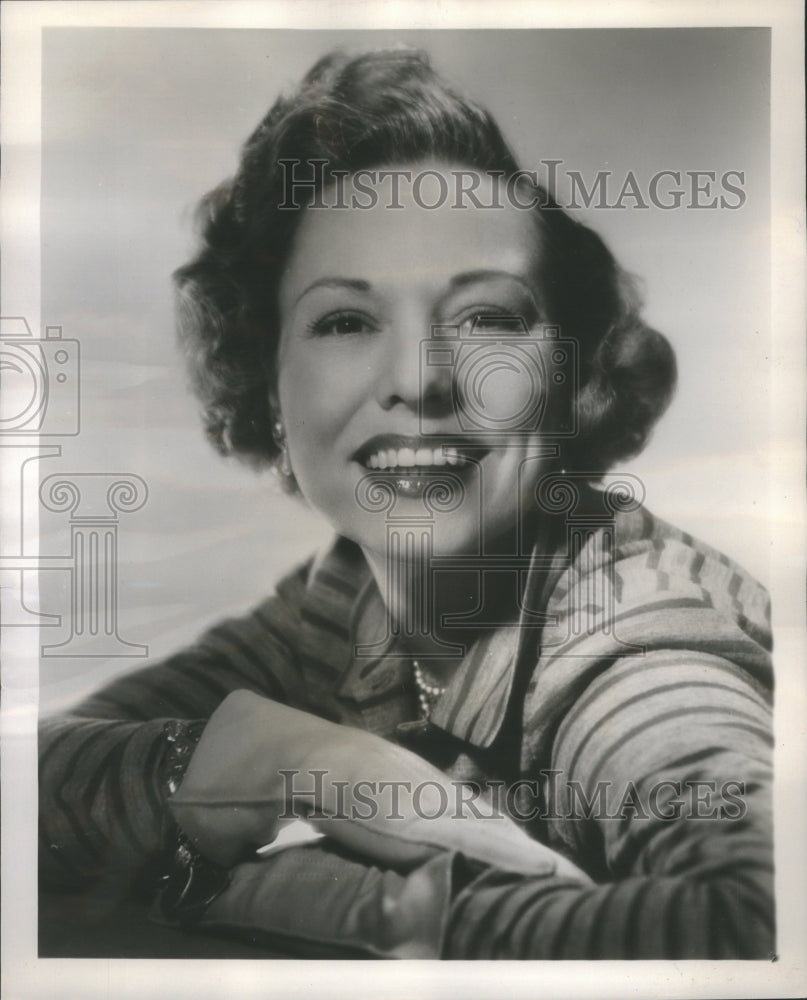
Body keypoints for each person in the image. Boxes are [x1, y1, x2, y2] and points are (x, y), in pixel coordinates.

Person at [39, 48, 773, 959]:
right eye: (345, 320)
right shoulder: (346, 597)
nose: (421, 378)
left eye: (487, 319)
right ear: (269, 387)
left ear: (569, 376)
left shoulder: (630, 640)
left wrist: (335, 900)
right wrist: (252, 763)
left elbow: (750, 924)